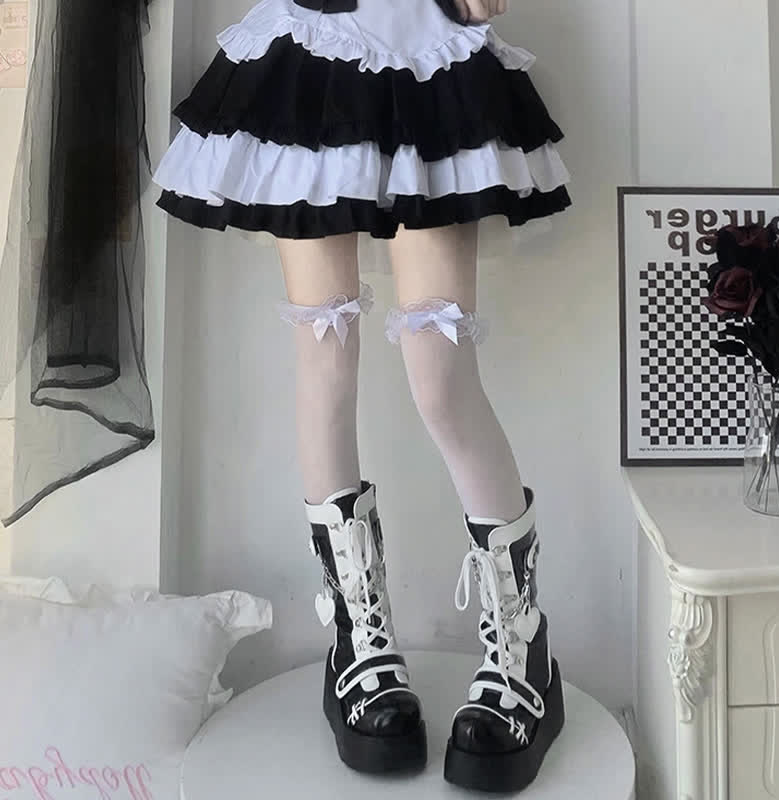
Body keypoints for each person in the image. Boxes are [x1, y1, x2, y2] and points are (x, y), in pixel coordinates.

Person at [153, 0, 570, 791]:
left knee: (440, 378)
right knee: (325, 364)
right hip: (309, 52)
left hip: (425, 54)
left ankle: (523, 643)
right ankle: (360, 639)